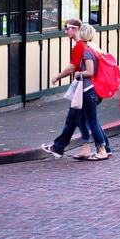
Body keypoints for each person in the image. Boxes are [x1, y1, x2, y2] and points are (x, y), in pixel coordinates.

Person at [42, 24, 110, 160]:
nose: (66, 31)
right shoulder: (93, 48)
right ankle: (95, 148)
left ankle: (101, 149)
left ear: (79, 31)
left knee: (86, 120)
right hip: (92, 90)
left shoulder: (84, 49)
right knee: (82, 119)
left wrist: (74, 74)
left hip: (86, 90)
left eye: (67, 28)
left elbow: (84, 70)